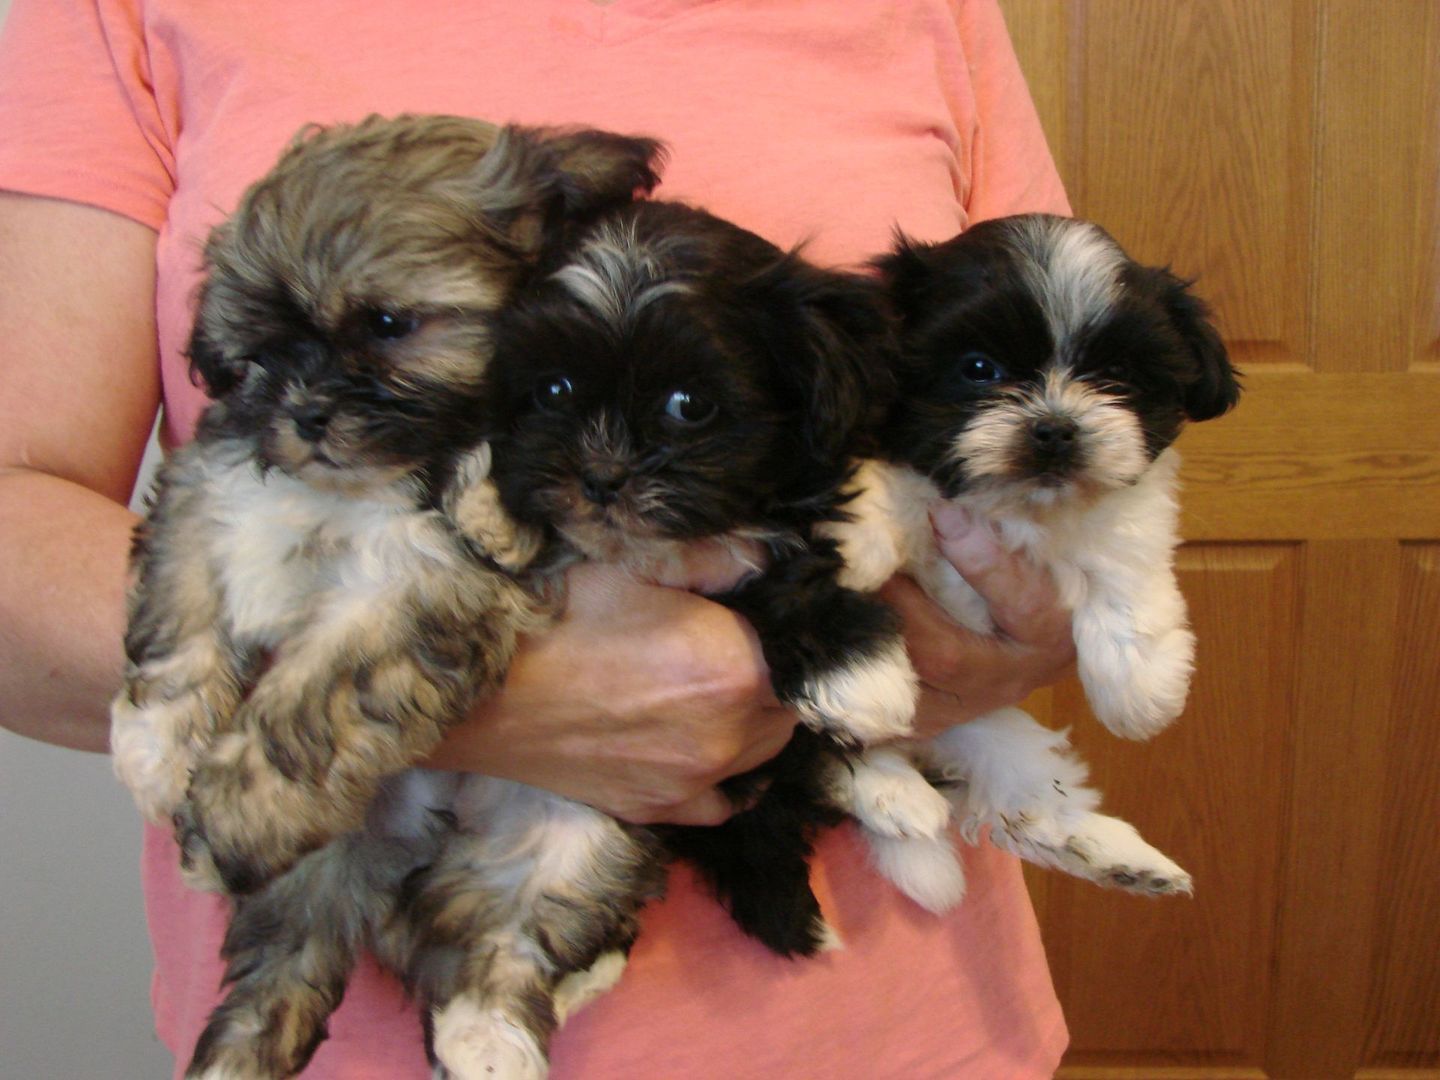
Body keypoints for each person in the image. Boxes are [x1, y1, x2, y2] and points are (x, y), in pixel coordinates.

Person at [0, 1, 1077, 1076]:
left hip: (902, 1016)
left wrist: (989, 630)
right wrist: (470, 698)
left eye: (387, 327)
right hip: (343, 1014)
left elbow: (1062, 407)